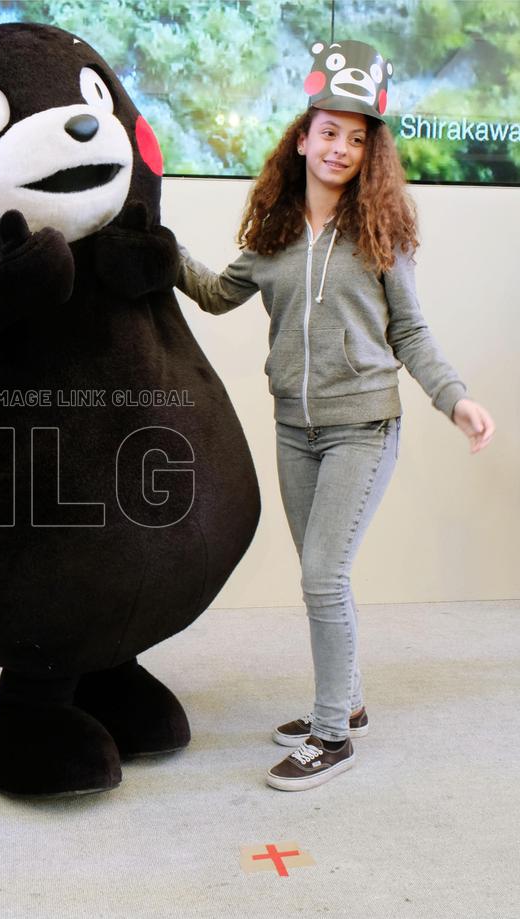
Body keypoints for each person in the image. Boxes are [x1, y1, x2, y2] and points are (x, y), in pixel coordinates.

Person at [175, 40, 495, 792]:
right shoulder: (276, 236)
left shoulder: (381, 233)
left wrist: (457, 399)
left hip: (363, 427)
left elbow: (409, 332)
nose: (340, 148)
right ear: (302, 135)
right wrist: (163, 250)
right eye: (329, 132)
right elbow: (219, 292)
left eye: (357, 138)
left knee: (323, 574)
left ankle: (329, 736)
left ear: (370, 152)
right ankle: (344, 701)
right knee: (326, 577)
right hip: (296, 429)